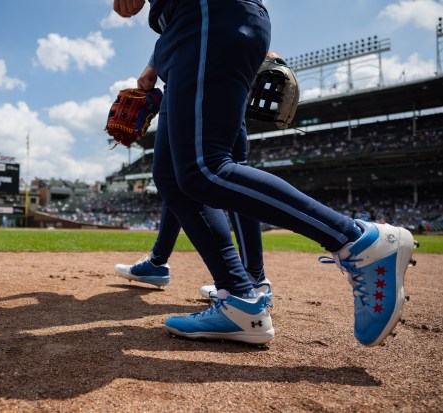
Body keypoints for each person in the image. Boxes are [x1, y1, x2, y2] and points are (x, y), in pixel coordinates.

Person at [112, 0, 417, 347]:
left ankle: (357, 241)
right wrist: (156, 59)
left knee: (205, 168)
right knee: (172, 178)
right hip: (185, 28)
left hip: (207, 17)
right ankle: (241, 300)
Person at [114, 62, 271, 301]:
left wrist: (153, 64)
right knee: (212, 169)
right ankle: (252, 276)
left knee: (182, 173)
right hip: (230, 74)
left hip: (192, 74)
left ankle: (240, 287)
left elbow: (181, 25)